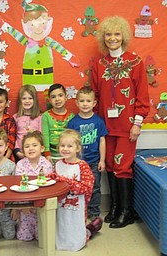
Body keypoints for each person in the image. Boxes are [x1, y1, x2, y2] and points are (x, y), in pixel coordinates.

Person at [91, 16, 150, 228]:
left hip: (127, 126)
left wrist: (138, 123)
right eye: (108, 34)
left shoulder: (135, 61)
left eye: (117, 34)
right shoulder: (100, 64)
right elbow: (96, 95)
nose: (113, 38)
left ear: (123, 36)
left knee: (123, 166)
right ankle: (116, 207)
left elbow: (142, 95)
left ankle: (127, 211)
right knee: (109, 165)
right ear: (103, 37)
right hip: (106, 125)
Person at [54, 129, 102, 251]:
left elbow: (86, 188)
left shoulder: (83, 166)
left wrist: (66, 182)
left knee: (77, 228)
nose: (65, 149)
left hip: (77, 206)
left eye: (69, 146)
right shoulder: (58, 164)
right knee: (62, 224)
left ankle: (92, 228)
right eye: (62, 145)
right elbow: (54, 182)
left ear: (77, 148)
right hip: (61, 206)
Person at [67, 86, 108, 220]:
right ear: (77, 103)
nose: (85, 104)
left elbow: (102, 141)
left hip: (94, 161)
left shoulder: (99, 121)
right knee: (78, 188)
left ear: (94, 103)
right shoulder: (73, 123)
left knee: (95, 187)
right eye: (82, 101)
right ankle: (79, 210)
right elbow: (69, 142)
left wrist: (102, 160)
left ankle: (94, 212)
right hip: (78, 163)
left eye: (88, 101)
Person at [12, 131, 53, 241]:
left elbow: (48, 188)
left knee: (43, 237)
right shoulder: (20, 165)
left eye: (34, 145)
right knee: (24, 237)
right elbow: (19, 187)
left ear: (42, 148)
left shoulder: (46, 165)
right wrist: (22, 206)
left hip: (42, 206)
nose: (31, 148)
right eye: (27, 146)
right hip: (26, 206)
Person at [42, 83, 74, 163]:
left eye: (60, 95)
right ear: (49, 100)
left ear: (66, 97)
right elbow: (45, 135)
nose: (57, 99)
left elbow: (73, 137)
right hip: (51, 155)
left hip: (67, 154)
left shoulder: (72, 116)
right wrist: (47, 153)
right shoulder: (46, 116)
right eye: (53, 97)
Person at [13, 84, 42, 161]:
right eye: (24, 98)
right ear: (20, 100)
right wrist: (17, 151)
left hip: (35, 153)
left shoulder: (40, 117)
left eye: (30, 98)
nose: (27, 101)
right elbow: (13, 136)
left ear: (35, 100)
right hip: (20, 153)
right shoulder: (15, 117)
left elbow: (41, 136)